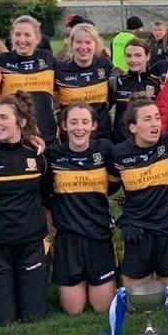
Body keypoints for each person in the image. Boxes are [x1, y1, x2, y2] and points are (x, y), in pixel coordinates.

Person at [0, 91, 50, 325]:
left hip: (31, 244)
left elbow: (45, 196)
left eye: (4, 117)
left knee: (32, 317)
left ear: (21, 122)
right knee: (2, 320)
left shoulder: (38, 156)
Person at [112, 96, 168, 298]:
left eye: (157, 117)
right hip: (137, 231)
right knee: (135, 301)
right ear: (132, 127)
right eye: (147, 119)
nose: (155, 123)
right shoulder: (118, 154)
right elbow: (107, 186)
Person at [47, 103, 119, 315]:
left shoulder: (104, 149)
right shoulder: (53, 155)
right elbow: (44, 192)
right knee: (74, 310)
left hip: (99, 235)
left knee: (102, 308)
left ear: (94, 125)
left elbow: (116, 182)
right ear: (64, 126)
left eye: (85, 122)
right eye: (74, 122)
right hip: (68, 239)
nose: (79, 128)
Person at [0, 15, 59, 144]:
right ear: (11, 37)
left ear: (37, 38)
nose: (22, 39)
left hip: (47, 134)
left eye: (27, 35)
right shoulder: (0, 62)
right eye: (17, 34)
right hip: (15, 137)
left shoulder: (48, 59)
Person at [55, 23, 114, 140]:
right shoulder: (60, 69)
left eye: (88, 42)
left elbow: (113, 95)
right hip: (72, 137)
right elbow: (53, 104)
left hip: (102, 135)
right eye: (78, 42)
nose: (83, 47)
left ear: (95, 44)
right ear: (71, 44)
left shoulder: (105, 65)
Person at [109, 37, 161, 143]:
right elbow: (105, 109)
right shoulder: (118, 81)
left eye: (138, 55)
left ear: (147, 56)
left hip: (148, 142)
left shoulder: (157, 83)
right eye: (129, 56)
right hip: (121, 142)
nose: (133, 60)